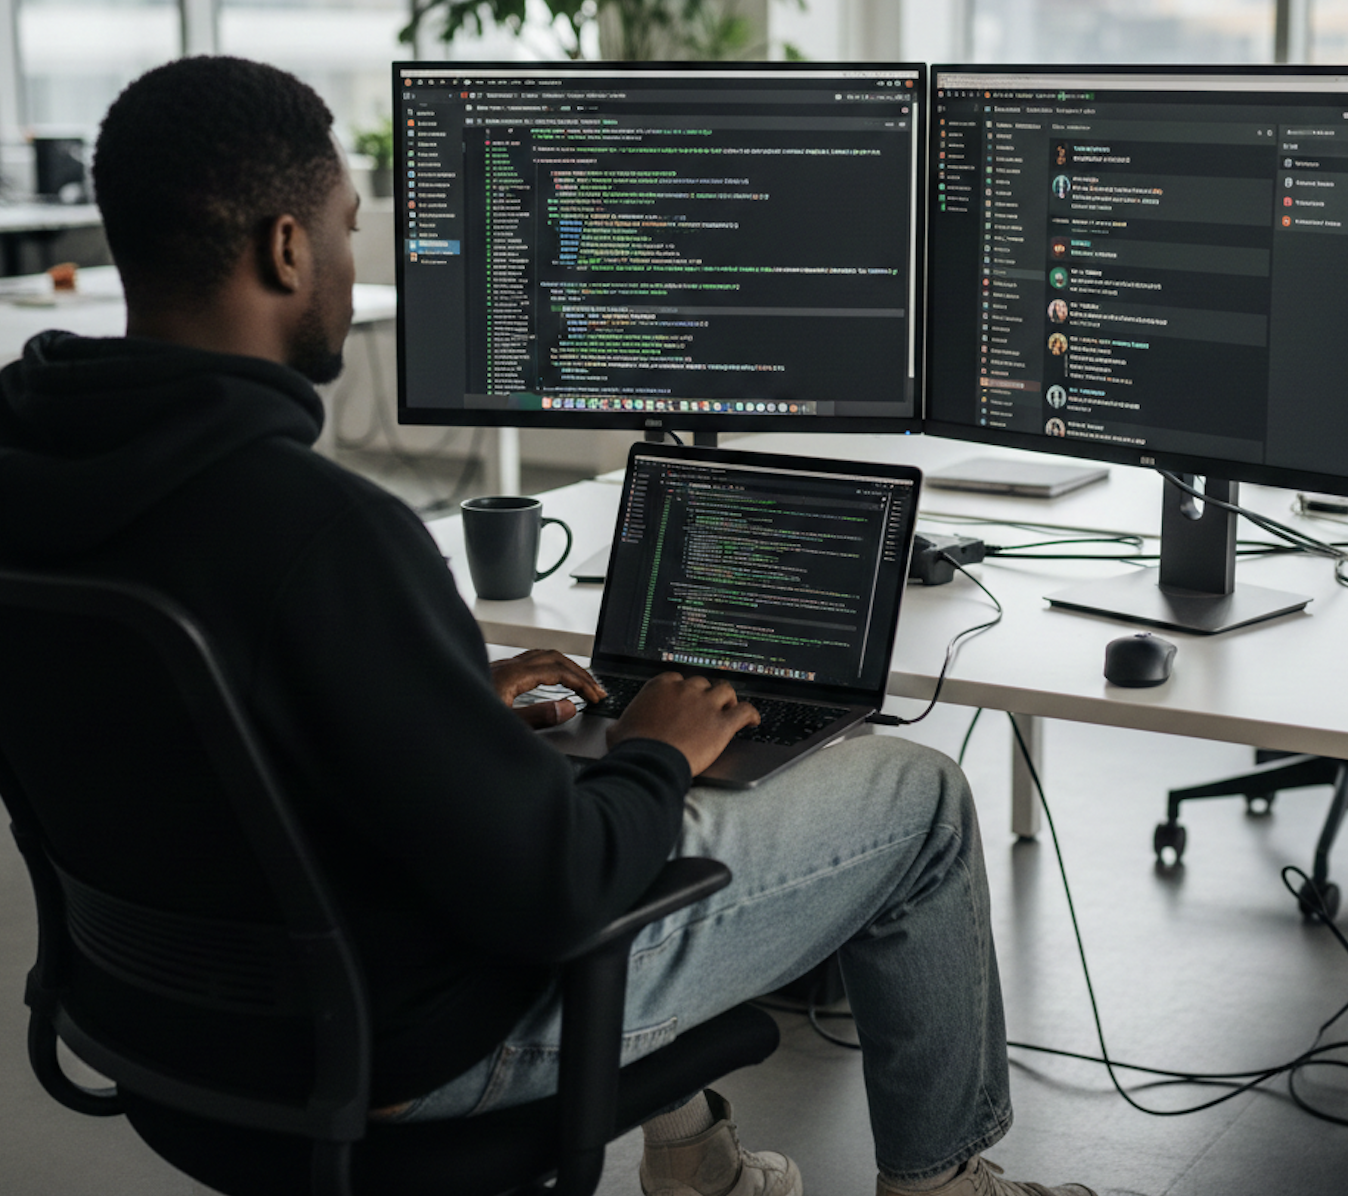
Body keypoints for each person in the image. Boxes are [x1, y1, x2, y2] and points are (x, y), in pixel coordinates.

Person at [0, 57, 1097, 1196]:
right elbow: (562, 891)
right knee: (913, 796)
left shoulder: (30, 471)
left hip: (155, 1025)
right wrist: (656, 750)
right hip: (408, 1050)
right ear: (285, 248)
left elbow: (202, 734)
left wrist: (439, 707)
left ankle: (696, 1165)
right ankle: (940, 1185)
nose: (350, 257)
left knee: (566, 755)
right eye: (346, 227)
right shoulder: (323, 532)